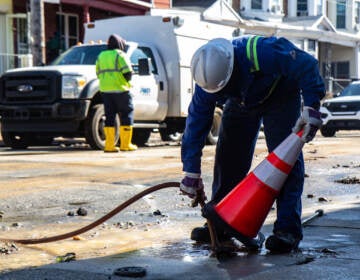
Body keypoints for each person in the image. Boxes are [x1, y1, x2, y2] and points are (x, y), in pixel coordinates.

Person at [180, 36, 325, 253]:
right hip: (240, 101)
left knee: (285, 162)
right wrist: (191, 171)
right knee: (228, 158)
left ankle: (287, 230)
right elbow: (196, 123)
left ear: (232, 70)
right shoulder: (208, 83)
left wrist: (312, 107)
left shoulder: (264, 52)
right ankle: (222, 221)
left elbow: (306, 65)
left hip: (281, 95)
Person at [96, 34, 137, 152]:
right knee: (126, 115)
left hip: (105, 91)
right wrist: (123, 81)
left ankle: (109, 146)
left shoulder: (101, 56)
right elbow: (128, 73)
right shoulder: (120, 55)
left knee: (109, 117)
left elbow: (98, 73)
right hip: (121, 90)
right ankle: (125, 144)